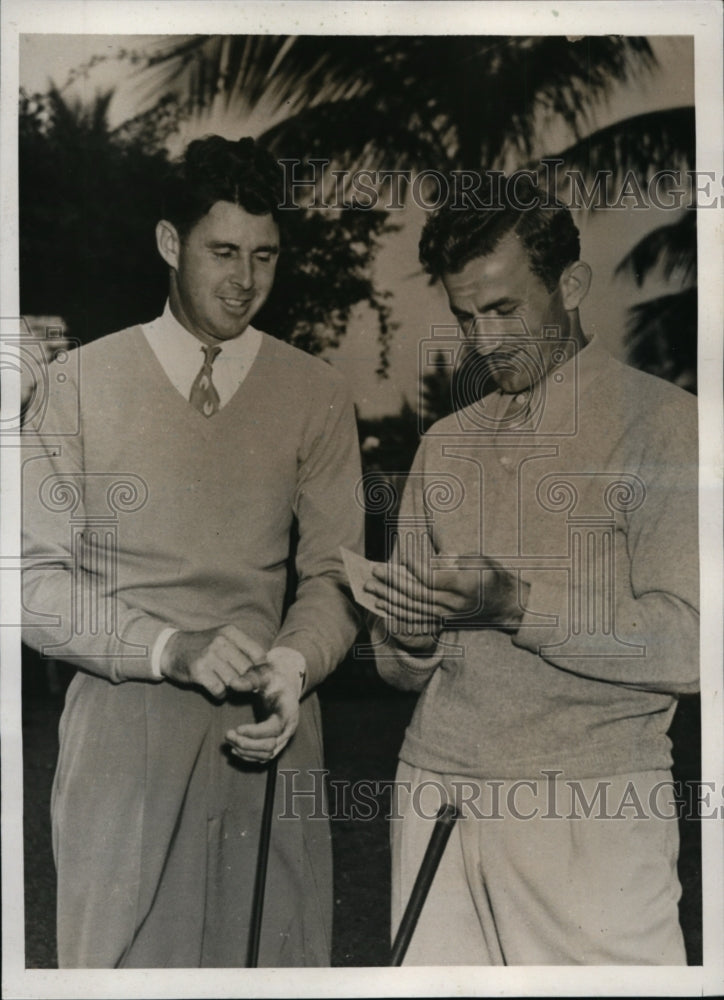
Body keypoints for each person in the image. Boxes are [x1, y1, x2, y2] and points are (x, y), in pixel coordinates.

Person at [21, 135, 363, 968]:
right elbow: (30, 583)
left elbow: (332, 575)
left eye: (265, 257)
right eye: (222, 252)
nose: (244, 281)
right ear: (171, 245)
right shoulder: (75, 384)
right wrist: (169, 651)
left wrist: (293, 665)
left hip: (271, 727)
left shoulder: (317, 394)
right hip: (124, 730)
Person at [364, 174, 698, 965]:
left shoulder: (666, 425)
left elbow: (692, 646)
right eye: (464, 316)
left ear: (571, 285)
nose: (482, 342)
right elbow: (394, 661)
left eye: (505, 309)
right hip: (433, 791)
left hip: (596, 808)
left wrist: (517, 604)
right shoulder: (444, 442)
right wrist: (408, 637)